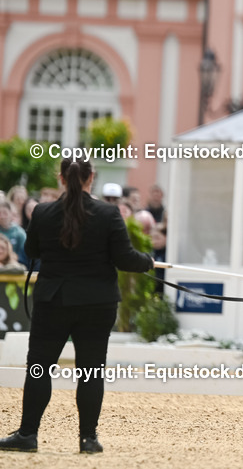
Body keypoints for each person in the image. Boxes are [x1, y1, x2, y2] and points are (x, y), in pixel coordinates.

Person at [0, 157, 154, 454]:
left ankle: (28, 434)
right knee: (91, 371)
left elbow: (31, 251)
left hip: (53, 301)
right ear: (90, 178)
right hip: (98, 303)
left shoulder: (43, 212)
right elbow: (125, 259)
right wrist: (147, 260)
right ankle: (88, 438)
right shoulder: (108, 213)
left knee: (39, 368)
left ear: (61, 178)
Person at [0, 201, 27, 266]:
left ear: (11, 214)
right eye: (0, 213)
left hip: (15, 264)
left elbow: (24, 252)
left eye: (5, 213)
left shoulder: (19, 232)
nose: (2, 216)